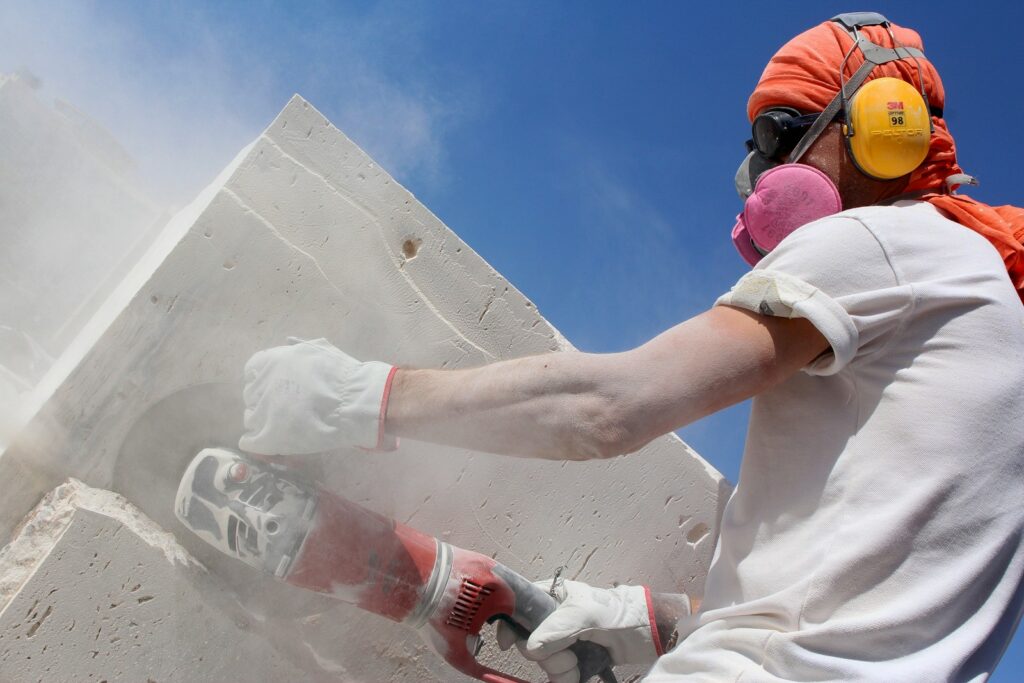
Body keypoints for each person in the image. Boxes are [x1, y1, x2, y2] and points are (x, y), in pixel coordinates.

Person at [238, 13, 1024, 682]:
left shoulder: (886, 242)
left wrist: (361, 395)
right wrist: (652, 618)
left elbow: (604, 409)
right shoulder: (988, 320)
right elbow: (860, 610)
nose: (768, 175)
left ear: (888, 124)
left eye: (782, 136)